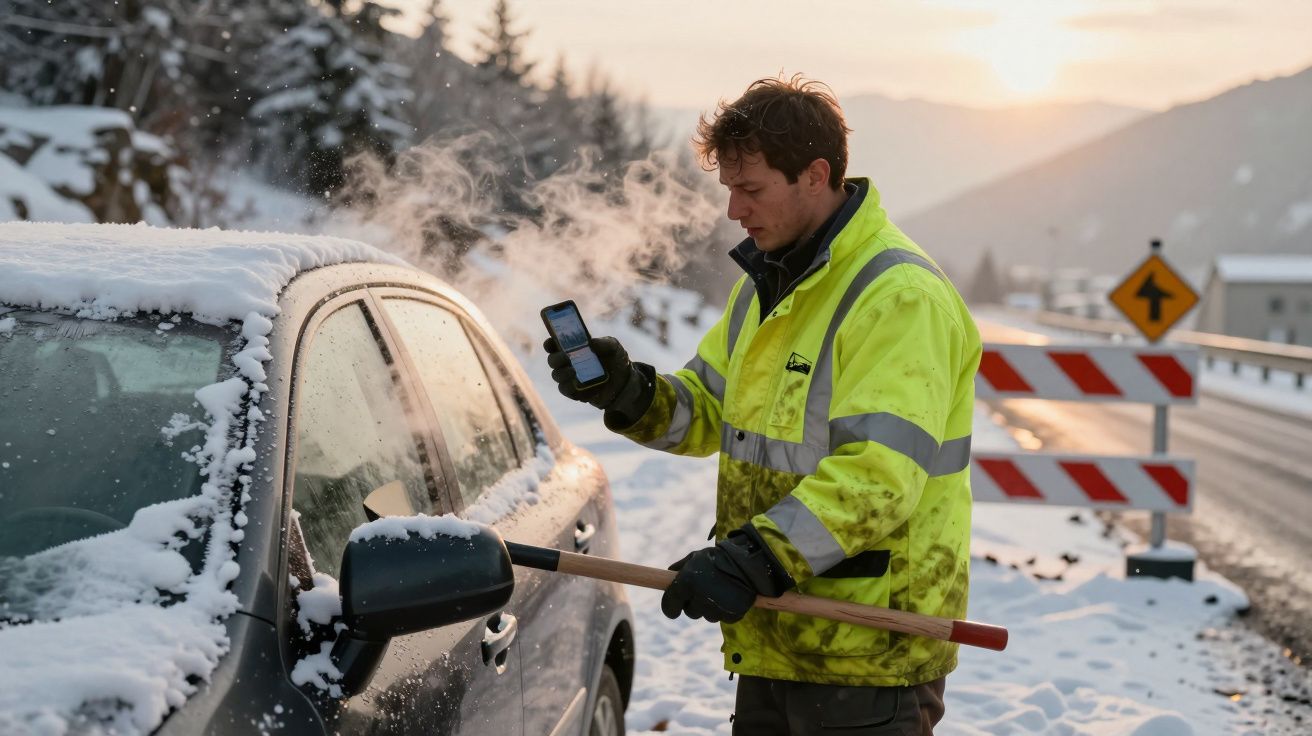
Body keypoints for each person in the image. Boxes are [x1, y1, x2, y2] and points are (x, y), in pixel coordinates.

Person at [545, 75, 982, 735]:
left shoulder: (897, 297)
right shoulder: (765, 290)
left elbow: (881, 477)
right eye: (729, 191)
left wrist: (753, 556)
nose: (734, 211)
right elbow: (709, 410)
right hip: (780, 629)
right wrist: (627, 392)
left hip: (866, 649)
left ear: (815, 175)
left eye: (750, 190)